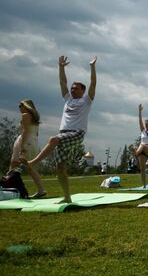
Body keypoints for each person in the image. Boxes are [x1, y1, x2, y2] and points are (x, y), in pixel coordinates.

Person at [21, 56, 97, 203]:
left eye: (76, 88)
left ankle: (33, 162)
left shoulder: (86, 101)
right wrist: (61, 67)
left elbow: (93, 83)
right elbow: (62, 82)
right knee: (60, 168)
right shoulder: (68, 99)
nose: (73, 90)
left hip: (77, 133)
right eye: (72, 88)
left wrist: (92, 67)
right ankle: (67, 197)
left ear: (83, 91)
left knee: (53, 139)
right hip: (63, 134)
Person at [10, 100, 45, 198]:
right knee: (26, 166)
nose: (19, 107)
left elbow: (25, 131)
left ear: (26, 106)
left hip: (25, 141)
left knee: (16, 165)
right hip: (32, 141)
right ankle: (41, 190)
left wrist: (22, 147)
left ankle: (10, 189)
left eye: (21, 105)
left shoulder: (25, 115)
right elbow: (36, 134)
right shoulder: (34, 117)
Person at [133, 104, 148, 188]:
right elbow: (139, 120)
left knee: (142, 145)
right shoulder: (143, 131)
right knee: (142, 169)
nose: (146, 125)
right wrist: (139, 111)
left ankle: (135, 153)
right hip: (142, 152)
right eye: (145, 124)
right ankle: (144, 185)